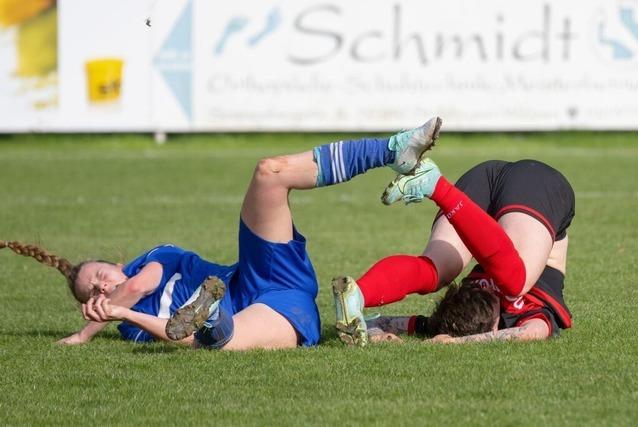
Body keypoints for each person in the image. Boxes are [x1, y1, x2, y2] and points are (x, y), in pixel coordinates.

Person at [1, 116, 443, 350]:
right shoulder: (130, 330)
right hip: (273, 312)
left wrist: (88, 330)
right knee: (212, 341)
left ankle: (391, 149)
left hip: (258, 275)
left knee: (268, 172)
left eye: (98, 275)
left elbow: (137, 285)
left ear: (115, 263)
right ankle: (214, 318)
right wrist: (123, 318)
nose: (100, 285)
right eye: (91, 291)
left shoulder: (153, 259)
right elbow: (175, 334)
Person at [333, 156, 575, 346]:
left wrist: (377, 334)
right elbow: (529, 334)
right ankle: (358, 294)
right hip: (534, 183)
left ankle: (360, 293)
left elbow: (380, 322)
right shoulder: (524, 317)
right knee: (512, 283)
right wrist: (457, 344)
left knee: (438, 267)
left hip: (498, 182)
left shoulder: (452, 321)